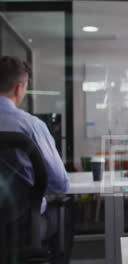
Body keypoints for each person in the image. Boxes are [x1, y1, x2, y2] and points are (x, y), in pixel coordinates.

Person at [0, 56, 71, 258]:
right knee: (64, 212)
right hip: (21, 227)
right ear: (19, 88)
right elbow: (60, 184)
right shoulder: (31, 125)